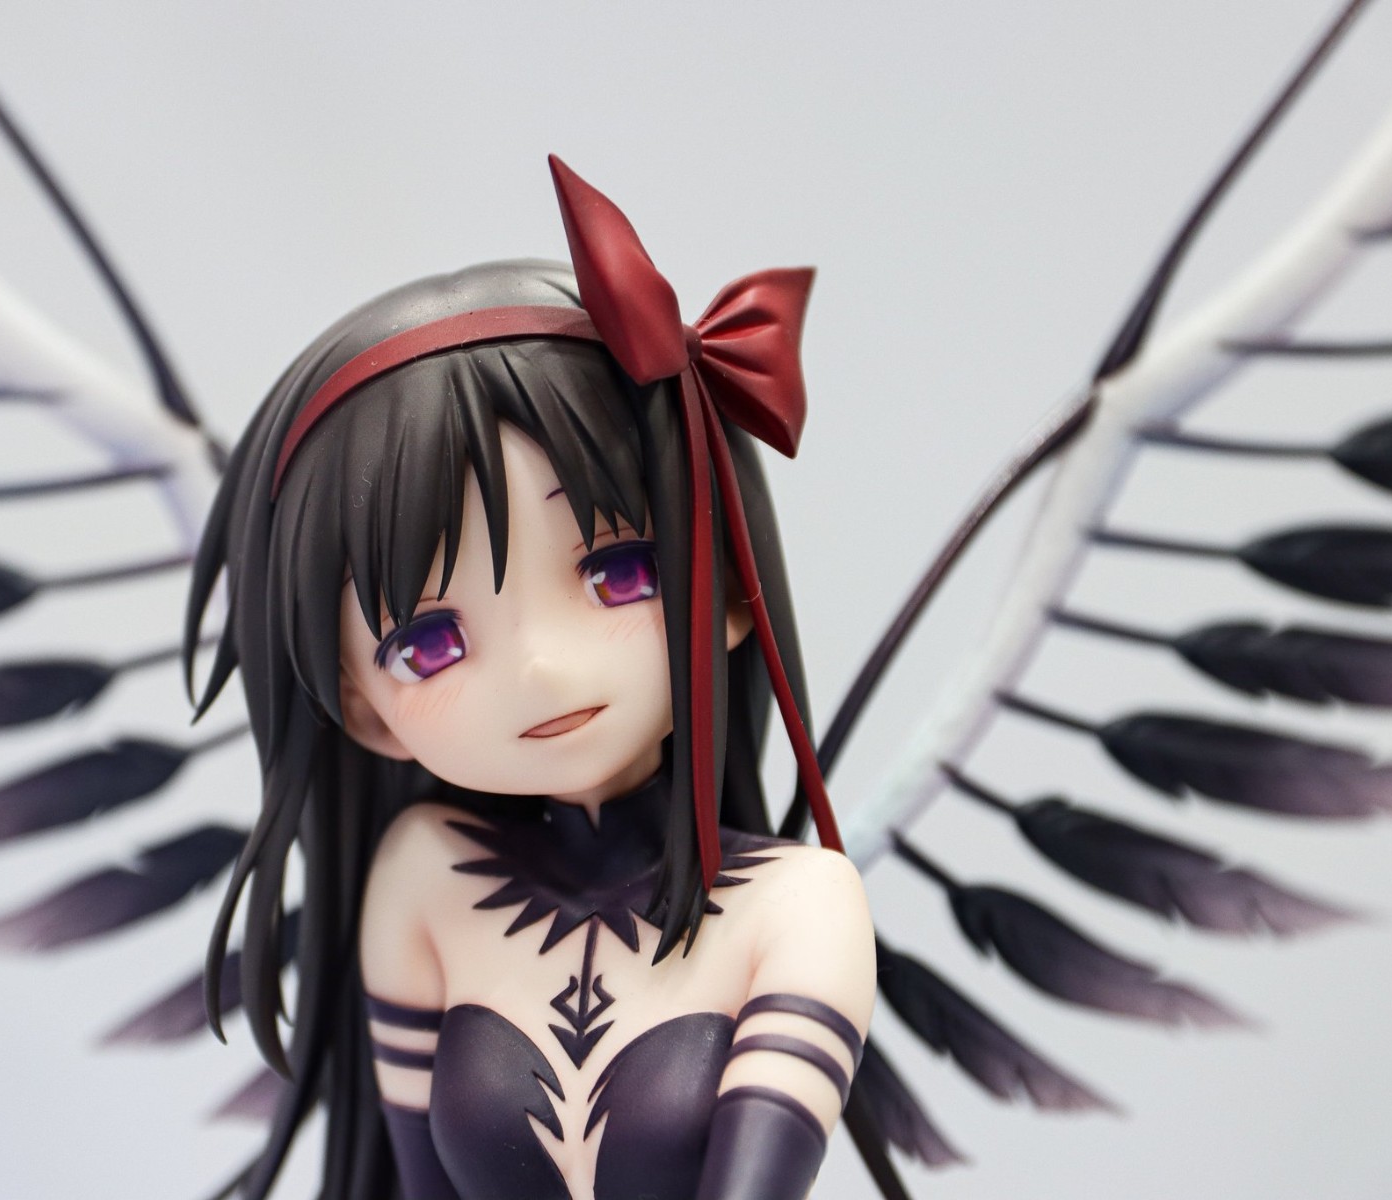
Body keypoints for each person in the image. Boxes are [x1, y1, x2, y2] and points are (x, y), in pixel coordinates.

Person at [184, 158, 875, 1200]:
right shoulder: (426, 877)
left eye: (619, 572)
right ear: (363, 705)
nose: (542, 669)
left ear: (732, 587)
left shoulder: (799, 907)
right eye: (429, 642)